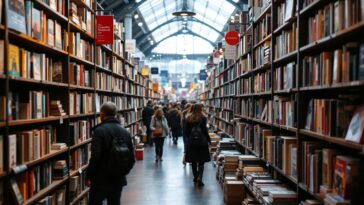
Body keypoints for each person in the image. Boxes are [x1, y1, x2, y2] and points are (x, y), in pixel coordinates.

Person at [86, 102, 135, 205]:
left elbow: (96, 157)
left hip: (101, 179)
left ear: (102, 115)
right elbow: (132, 158)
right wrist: (123, 172)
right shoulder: (125, 132)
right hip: (118, 179)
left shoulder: (99, 131)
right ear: (115, 114)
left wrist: (89, 175)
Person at [184, 103, 211, 187]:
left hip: (192, 143)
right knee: (201, 161)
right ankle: (200, 177)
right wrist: (208, 139)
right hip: (202, 142)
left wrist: (189, 139)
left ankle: (195, 177)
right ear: (200, 109)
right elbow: (205, 130)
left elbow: (186, 131)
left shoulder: (188, 118)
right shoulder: (203, 118)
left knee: (193, 161)